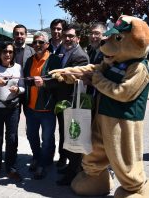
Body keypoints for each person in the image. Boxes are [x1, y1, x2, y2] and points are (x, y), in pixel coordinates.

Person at [23, 31, 61, 180]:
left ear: (47, 44)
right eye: (35, 42)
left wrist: (45, 83)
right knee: (31, 136)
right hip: (31, 108)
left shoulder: (54, 60)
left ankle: (43, 165)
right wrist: (31, 81)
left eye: (40, 42)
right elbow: (26, 79)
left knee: (47, 139)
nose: (37, 45)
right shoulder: (30, 60)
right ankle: (37, 158)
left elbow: (59, 81)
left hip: (47, 108)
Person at [0, 42, 24, 181]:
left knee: (12, 138)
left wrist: (18, 90)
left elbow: (23, 87)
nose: (8, 54)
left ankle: (11, 167)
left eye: (10, 52)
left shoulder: (18, 68)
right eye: (5, 51)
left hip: (13, 107)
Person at [55, 23, 89, 186]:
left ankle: (73, 172)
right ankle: (71, 166)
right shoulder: (62, 51)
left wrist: (58, 77)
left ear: (78, 38)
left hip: (74, 103)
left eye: (71, 36)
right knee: (66, 136)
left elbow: (76, 80)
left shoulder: (80, 56)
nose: (67, 39)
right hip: (64, 102)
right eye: (65, 36)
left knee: (73, 137)